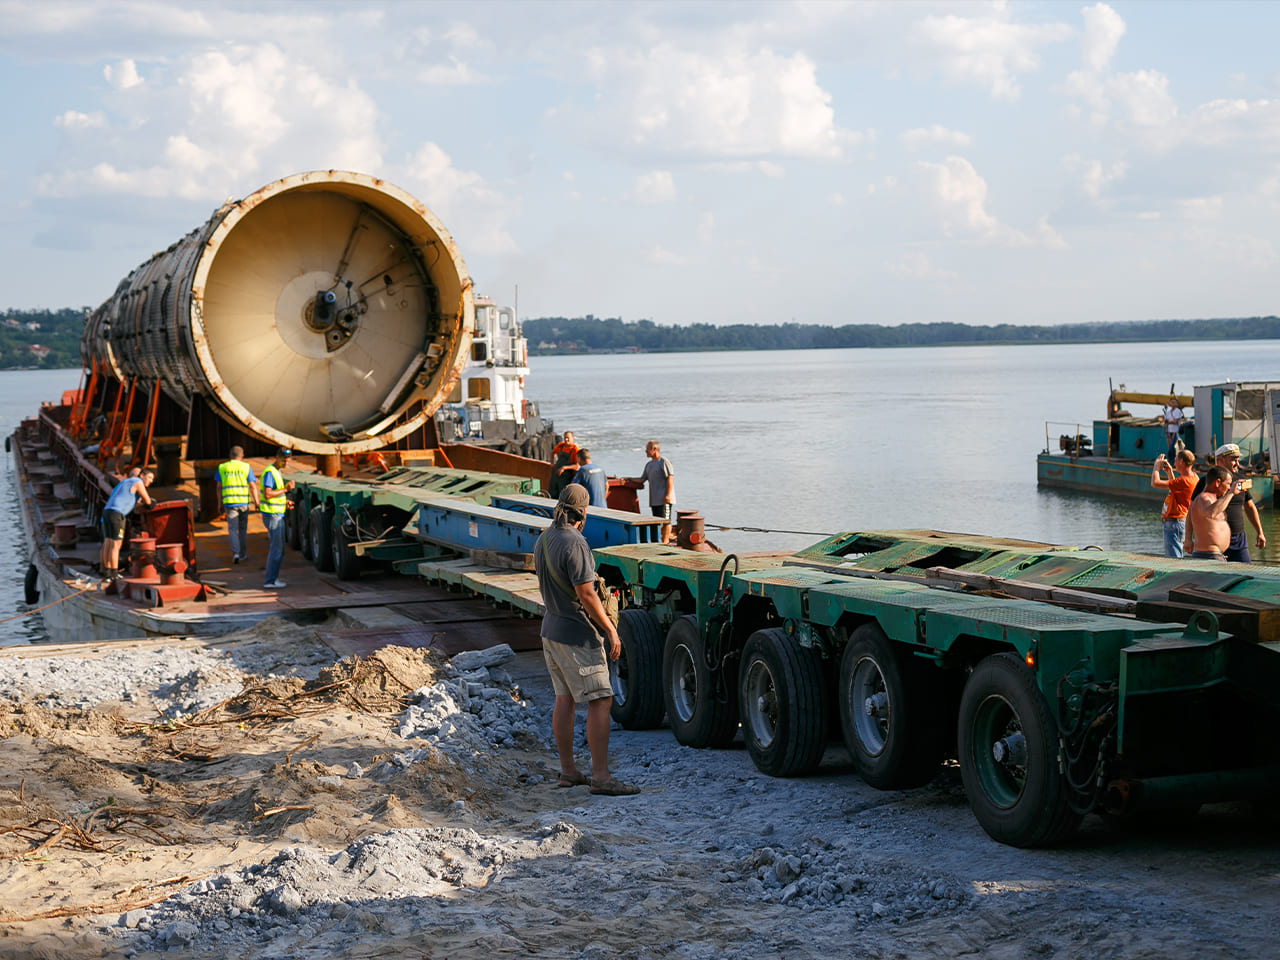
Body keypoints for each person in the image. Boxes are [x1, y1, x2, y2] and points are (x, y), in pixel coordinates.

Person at [533, 483, 639, 797]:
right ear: (583, 513)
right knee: (600, 700)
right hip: (578, 636)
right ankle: (602, 777)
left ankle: (568, 771)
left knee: (564, 700)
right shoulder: (575, 542)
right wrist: (610, 629)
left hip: (550, 631)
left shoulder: (544, 539)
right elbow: (587, 593)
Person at [1186, 443, 1266, 562]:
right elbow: (1192, 511)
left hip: (1239, 542)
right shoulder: (1206, 482)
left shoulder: (1240, 480)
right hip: (1213, 545)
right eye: (1233, 460)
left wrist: (1260, 532)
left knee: (1246, 574)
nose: (1237, 464)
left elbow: (1249, 506)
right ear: (1221, 460)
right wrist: (1188, 538)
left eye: (1238, 460)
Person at [99, 468, 154, 580]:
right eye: (149, 477)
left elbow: (132, 502)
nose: (151, 481)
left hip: (107, 512)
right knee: (116, 544)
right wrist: (152, 503)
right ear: (142, 475)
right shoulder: (138, 482)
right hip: (117, 514)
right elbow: (148, 502)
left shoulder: (125, 481)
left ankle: (107, 572)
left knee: (108, 542)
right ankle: (114, 573)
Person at [216, 445, 260, 564]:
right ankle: (242, 554)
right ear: (242, 456)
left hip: (229, 503)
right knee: (242, 530)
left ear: (230, 456)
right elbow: (252, 486)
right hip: (243, 503)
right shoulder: (246, 467)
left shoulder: (222, 467)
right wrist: (256, 502)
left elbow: (219, 487)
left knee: (232, 529)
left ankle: (235, 553)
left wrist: (219, 504)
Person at [1186, 466, 1240, 560]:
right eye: (1228, 484)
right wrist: (1231, 493)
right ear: (1218, 482)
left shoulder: (1213, 500)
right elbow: (1211, 513)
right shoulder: (1203, 499)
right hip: (1207, 556)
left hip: (1215, 555)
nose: (1228, 488)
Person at [259, 448, 294, 589]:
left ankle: (273, 579)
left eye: (288, 459)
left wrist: (285, 502)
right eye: (283, 459)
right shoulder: (270, 472)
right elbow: (268, 494)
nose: (286, 462)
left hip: (276, 513)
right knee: (277, 549)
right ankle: (270, 580)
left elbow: (275, 495)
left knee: (279, 548)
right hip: (272, 516)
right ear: (277, 457)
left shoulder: (276, 472)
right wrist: (286, 490)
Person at [1151, 450, 1196, 558]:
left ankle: (1176, 576)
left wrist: (1156, 467)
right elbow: (1175, 489)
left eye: (1175, 461)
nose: (1174, 464)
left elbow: (1155, 483)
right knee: (1175, 556)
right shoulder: (1193, 477)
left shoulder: (1183, 481)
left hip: (1174, 523)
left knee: (1173, 559)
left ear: (1181, 461)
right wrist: (1169, 472)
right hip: (1178, 522)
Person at [632, 439, 675, 544]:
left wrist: (668, 495)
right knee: (657, 521)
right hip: (654, 499)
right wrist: (628, 479)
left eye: (647, 449)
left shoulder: (664, 462)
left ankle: (665, 542)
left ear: (654, 449)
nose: (645, 451)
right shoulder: (649, 465)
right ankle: (659, 541)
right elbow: (642, 479)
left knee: (666, 520)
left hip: (664, 498)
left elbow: (670, 478)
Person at [548, 431, 579, 499]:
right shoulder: (561, 446)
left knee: (563, 495)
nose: (566, 440)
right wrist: (552, 463)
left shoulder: (575, 450)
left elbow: (576, 466)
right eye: (565, 438)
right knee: (552, 493)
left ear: (573, 438)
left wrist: (564, 468)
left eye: (568, 438)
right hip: (556, 475)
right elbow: (552, 453)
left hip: (566, 477)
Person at [1161, 394, 1184, 461]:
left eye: (1174, 402)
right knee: (1169, 446)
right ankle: (1170, 459)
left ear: (1176, 403)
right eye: (1172, 402)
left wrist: (1168, 422)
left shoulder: (1178, 411)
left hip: (1175, 431)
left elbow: (1175, 421)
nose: (1173, 404)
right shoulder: (1168, 412)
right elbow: (1166, 420)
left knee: (1174, 446)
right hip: (1169, 431)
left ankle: (1176, 460)